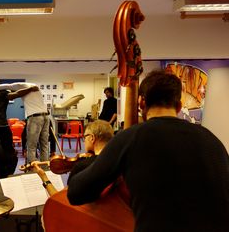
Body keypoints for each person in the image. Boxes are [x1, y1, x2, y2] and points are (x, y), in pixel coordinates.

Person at [68, 70, 229, 232]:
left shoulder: (130, 138)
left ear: (141, 103)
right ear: (179, 106)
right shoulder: (213, 142)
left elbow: (76, 193)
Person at [31, 120, 113, 196]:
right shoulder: (117, 161)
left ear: (92, 138)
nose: (84, 141)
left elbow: (61, 201)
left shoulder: (82, 167)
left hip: (84, 210)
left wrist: (43, 177)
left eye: (84, 137)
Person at [0, 86, 39, 180]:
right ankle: (8, 174)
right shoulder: (3, 95)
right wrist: (30, 89)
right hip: (1, 126)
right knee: (9, 150)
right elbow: (17, 94)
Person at [0, 82, 50, 164]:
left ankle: (32, 168)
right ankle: (45, 167)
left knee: (31, 145)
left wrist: (10, 90)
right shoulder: (32, 87)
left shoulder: (22, 85)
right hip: (46, 116)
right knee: (44, 145)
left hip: (35, 117)